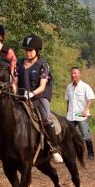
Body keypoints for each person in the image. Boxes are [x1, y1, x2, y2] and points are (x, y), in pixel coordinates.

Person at [14, 34, 63, 164]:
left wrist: (31, 94)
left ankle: (54, 148)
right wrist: (14, 91)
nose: (27, 52)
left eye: (30, 50)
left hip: (39, 97)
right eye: (26, 50)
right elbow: (15, 81)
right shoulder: (18, 64)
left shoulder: (43, 65)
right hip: (21, 96)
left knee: (46, 117)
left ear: (37, 50)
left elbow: (42, 86)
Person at [65, 67, 95, 159]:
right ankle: (70, 154)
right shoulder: (69, 87)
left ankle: (91, 153)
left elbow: (91, 99)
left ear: (79, 74)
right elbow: (68, 101)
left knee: (85, 135)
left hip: (81, 115)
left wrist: (85, 110)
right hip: (71, 115)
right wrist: (67, 113)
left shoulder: (85, 86)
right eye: (72, 73)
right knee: (68, 135)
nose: (73, 75)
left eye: (75, 73)